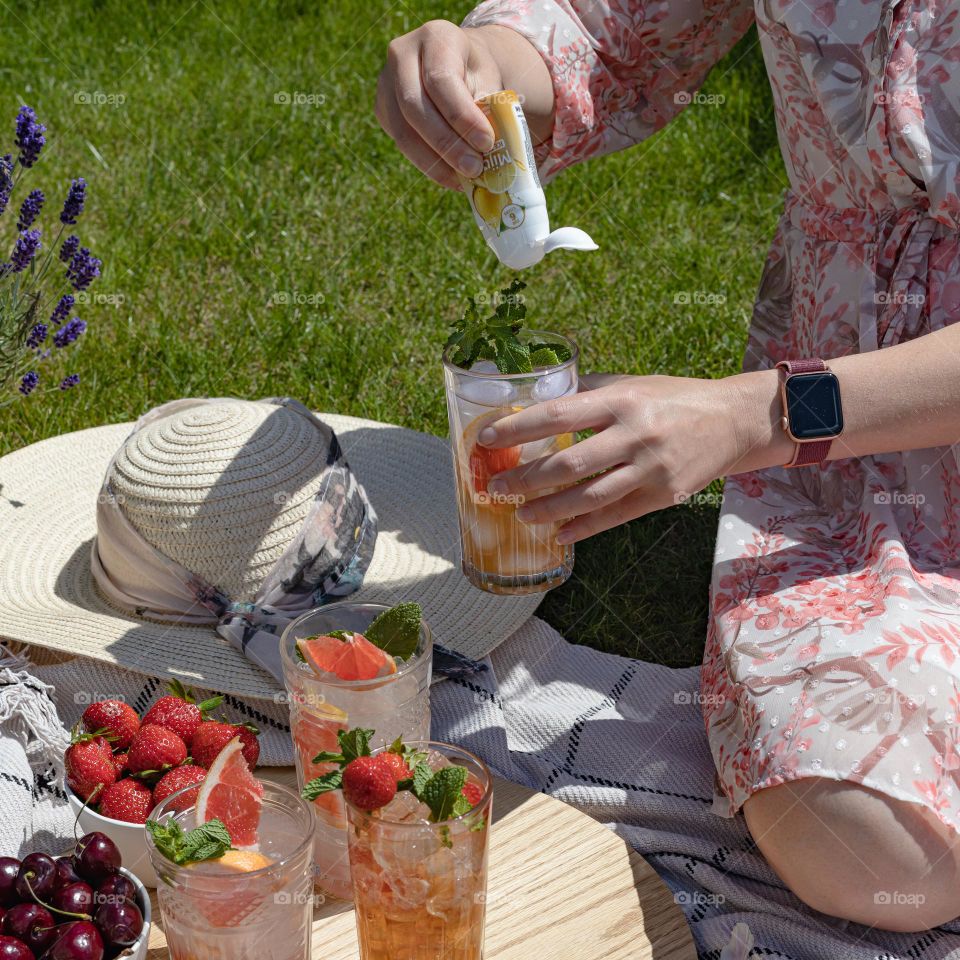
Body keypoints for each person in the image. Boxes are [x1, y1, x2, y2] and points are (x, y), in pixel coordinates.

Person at [376, 1, 960, 934]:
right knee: (873, 845)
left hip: (814, 411)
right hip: (845, 455)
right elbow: (603, 25)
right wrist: (481, 71)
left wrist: (750, 416)